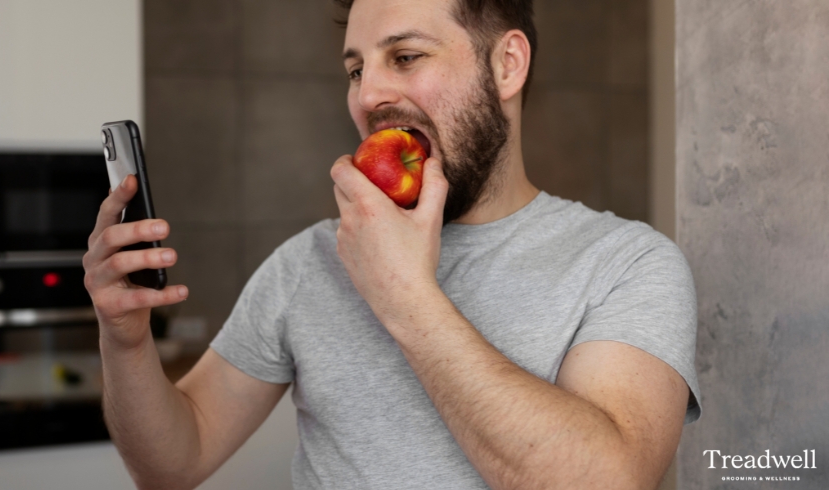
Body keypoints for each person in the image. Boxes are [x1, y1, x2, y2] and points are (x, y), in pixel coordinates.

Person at [82, 0, 701, 488]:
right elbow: (170, 465)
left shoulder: (628, 264)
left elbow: (607, 481)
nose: (367, 94)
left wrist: (405, 297)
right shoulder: (310, 262)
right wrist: (125, 342)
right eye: (356, 69)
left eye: (404, 56)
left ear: (507, 64)